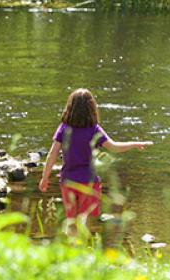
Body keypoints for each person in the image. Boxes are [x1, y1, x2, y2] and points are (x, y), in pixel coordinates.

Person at [38, 89, 153, 234]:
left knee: (71, 220)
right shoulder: (94, 130)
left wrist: (45, 177)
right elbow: (114, 147)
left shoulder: (64, 128)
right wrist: (134, 144)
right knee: (84, 221)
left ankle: (72, 249)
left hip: (68, 181)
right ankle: (83, 250)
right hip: (89, 182)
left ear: (70, 107)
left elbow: (52, 155)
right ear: (92, 109)